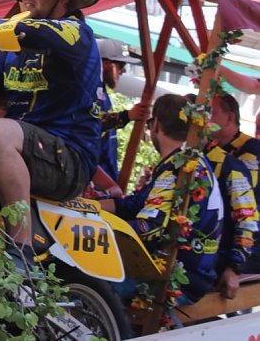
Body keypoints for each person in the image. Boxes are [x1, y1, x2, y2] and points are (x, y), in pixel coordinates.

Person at [0, 0, 102, 271]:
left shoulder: (75, 32)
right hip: (27, 149)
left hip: (70, 158)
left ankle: (21, 248)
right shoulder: (14, 44)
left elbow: (37, 31)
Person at [99, 94, 223, 305]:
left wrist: (97, 230)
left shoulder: (179, 168)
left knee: (84, 278)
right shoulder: (189, 160)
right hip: (194, 274)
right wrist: (92, 207)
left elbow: (148, 227)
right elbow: (137, 205)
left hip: (175, 281)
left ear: (155, 124)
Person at [210, 92, 260, 276]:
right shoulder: (213, 148)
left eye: (211, 113)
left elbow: (246, 192)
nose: (204, 118)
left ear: (229, 118)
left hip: (250, 244)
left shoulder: (251, 148)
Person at [95, 39, 151, 185]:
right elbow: (89, 122)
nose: (124, 71)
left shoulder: (103, 92)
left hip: (105, 180)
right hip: (93, 182)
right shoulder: (88, 90)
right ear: (106, 64)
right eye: (121, 65)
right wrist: (127, 116)